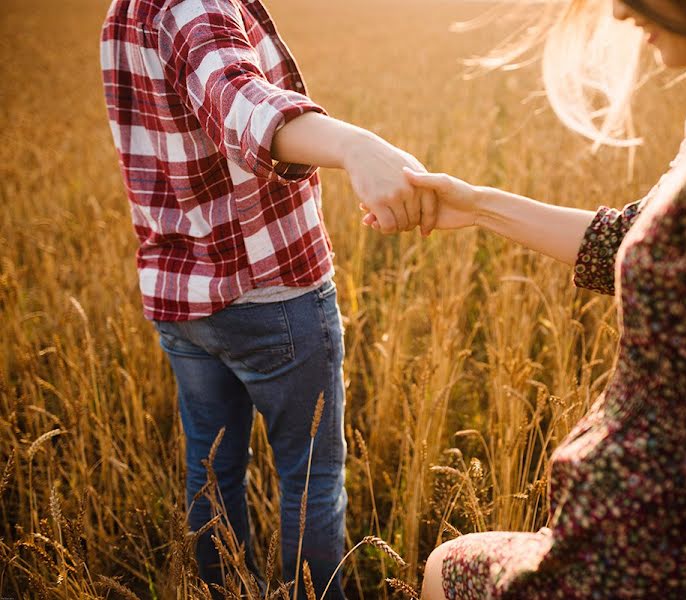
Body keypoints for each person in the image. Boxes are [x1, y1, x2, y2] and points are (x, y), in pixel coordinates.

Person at [364, 0, 686, 598]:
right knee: (450, 565)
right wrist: (480, 205)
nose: (618, 10)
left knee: (449, 571)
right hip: (632, 538)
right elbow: (640, 239)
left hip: (661, 565)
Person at [100, 0, 435, 597]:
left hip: (182, 294)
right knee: (313, 478)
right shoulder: (194, 7)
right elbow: (239, 103)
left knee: (210, 471)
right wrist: (355, 145)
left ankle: (222, 592)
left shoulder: (126, 10)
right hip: (272, 292)